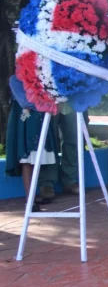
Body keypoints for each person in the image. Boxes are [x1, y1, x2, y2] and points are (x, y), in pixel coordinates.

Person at [6, 76, 57, 212]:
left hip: (40, 120)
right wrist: (45, 103)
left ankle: (33, 196)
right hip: (26, 123)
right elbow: (24, 102)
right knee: (27, 159)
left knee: (36, 158)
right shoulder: (15, 80)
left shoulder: (41, 75)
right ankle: (30, 199)